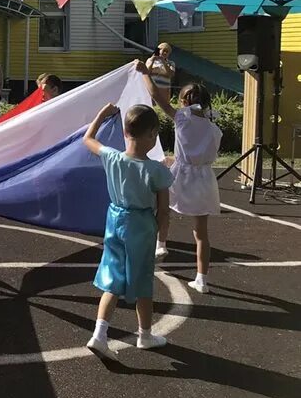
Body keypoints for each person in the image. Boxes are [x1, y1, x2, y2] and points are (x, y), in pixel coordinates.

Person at [82, 103, 174, 357]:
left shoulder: (112, 157)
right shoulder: (156, 170)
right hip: (141, 225)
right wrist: (161, 241)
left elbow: (87, 139)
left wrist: (101, 113)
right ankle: (144, 334)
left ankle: (99, 334)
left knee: (113, 277)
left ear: (125, 133)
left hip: (115, 220)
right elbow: (163, 210)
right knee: (143, 280)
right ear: (152, 135)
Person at [137, 67, 222, 294]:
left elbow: (156, 96)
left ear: (184, 100)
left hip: (180, 175)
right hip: (203, 178)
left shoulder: (182, 118)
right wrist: (179, 157)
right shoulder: (214, 127)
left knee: (162, 210)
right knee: (201, 233)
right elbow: (202, 154)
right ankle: (201, 279)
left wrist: (145, 72)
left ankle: (160, 244)